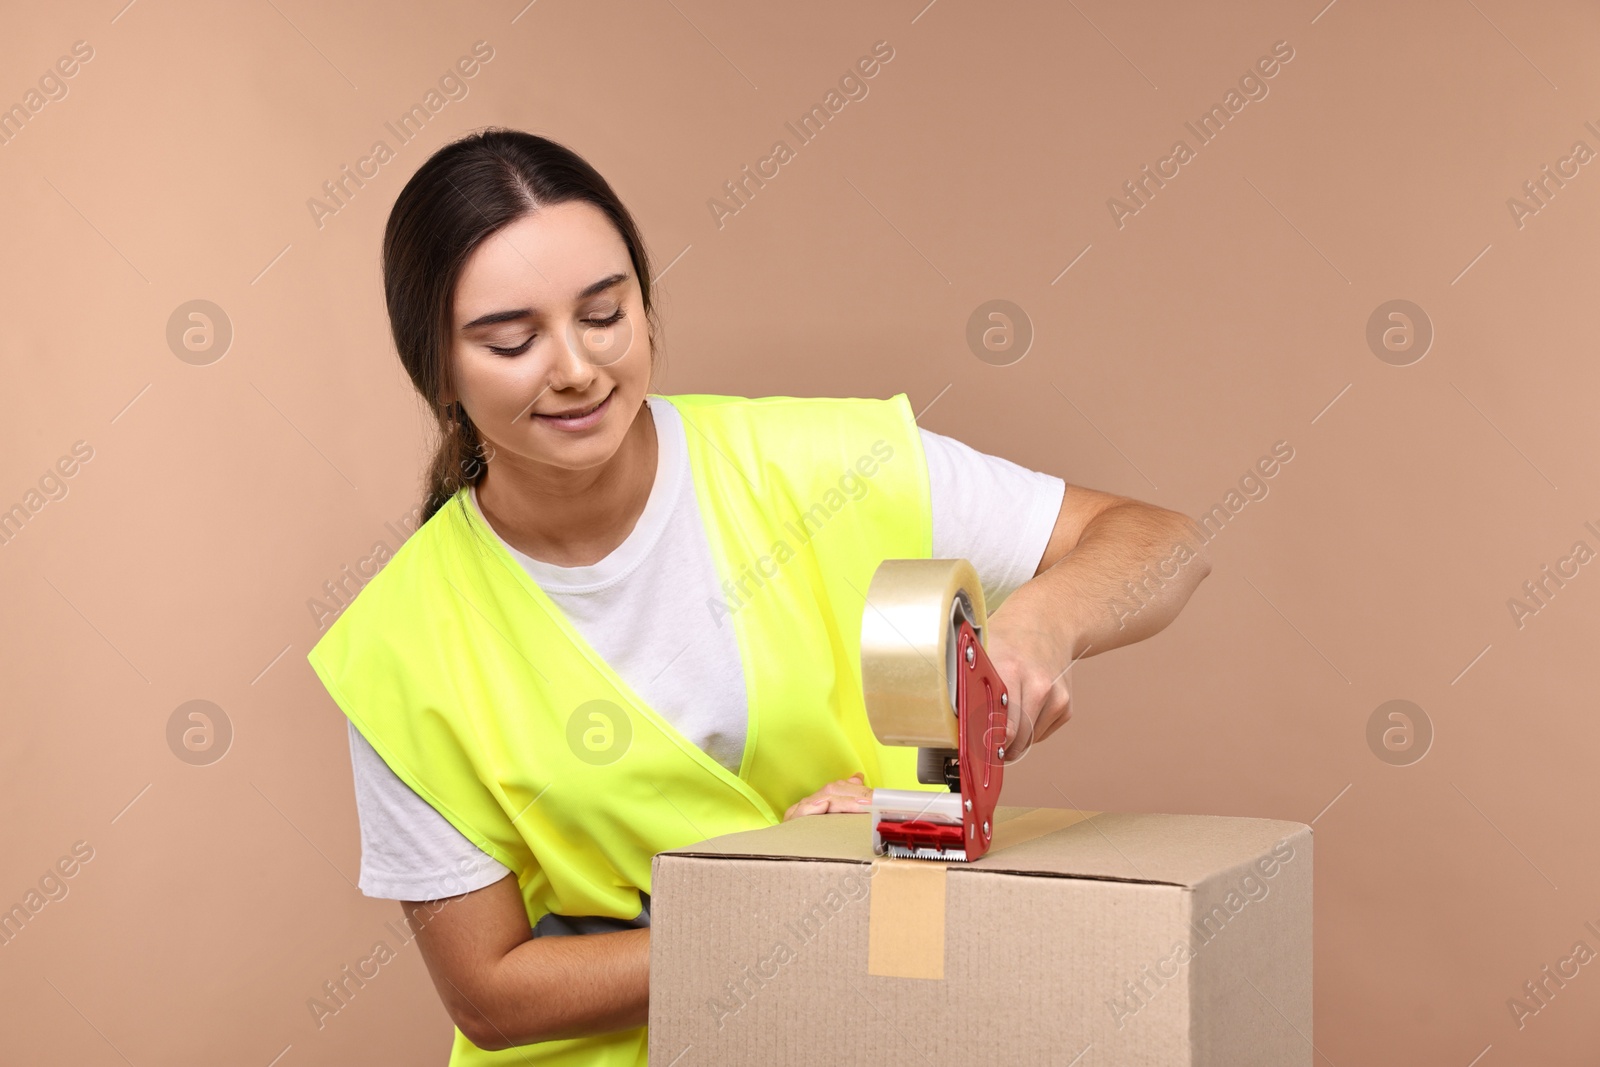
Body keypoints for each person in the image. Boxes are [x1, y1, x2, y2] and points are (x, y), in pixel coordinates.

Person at [306, 128, 1211, 1066]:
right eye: (512, 339)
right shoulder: (400, 642)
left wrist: (1039, 625)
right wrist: (774, 897)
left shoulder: (831, 467)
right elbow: (492, 996)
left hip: (872, 1030)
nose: (575, 366)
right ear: (437, 370)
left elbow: (1163, 543)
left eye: (605, 315)